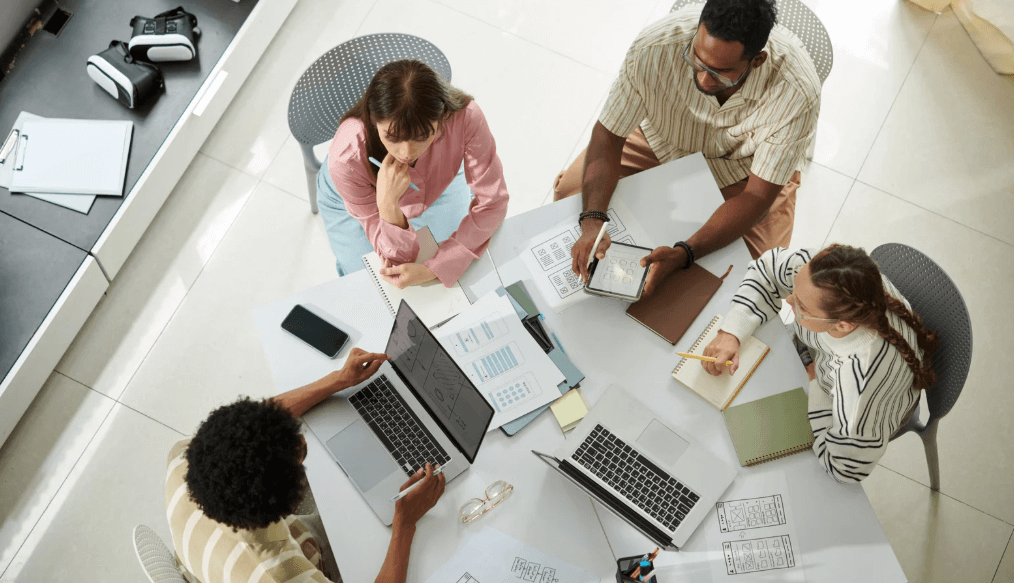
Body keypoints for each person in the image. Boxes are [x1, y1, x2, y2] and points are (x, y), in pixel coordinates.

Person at [555, 0, 820, 296]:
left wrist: (686, 253)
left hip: (744, 169)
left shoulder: (797, 92)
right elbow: (608, 136)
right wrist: (592, 221)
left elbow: (757, 196)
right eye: (697, 59)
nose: (704, 79)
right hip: (661, 139)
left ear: (756, 61)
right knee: (570, 193)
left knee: (753, 278)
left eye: (721, 73)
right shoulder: (654, 47)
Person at [165, 348, 446, 583]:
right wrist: (405, 524)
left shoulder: (184, 458)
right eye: (298, 456)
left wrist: (337, 381)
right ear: (285, 506)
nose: (301, 438)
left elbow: (257, 423)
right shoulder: (283, 573)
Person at [702, 245, 940, 483]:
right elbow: (767, 269)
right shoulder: (825, 274)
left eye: (802, 307)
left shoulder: (859, 388)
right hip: (816, 364)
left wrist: (816, 384)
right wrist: (731, 332)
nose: (788, 300)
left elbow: (845, 468)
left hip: (845, 408)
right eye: (795, 287)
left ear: (843, 325)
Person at [318, 59, 509, 289]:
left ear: (440, 118)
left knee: (455, 268)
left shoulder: (466, 117)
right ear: (373, 119)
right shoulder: (346, 158)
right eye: (393, 137)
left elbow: (493, 203)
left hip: (437, 183)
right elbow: (396, 261)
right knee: (365, 282)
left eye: (422, 136)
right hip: (358, 191)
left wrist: (435, 268)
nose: (406, 153)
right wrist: (388, 205)